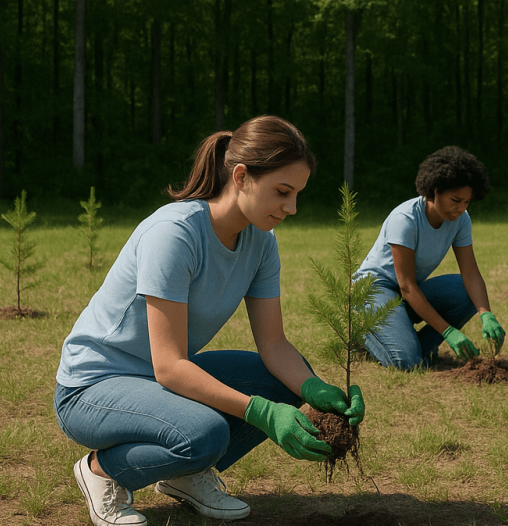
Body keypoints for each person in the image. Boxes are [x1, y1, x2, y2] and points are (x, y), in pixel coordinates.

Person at [55, 116, 364, 526]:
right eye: (283, 192)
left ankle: (184, 475)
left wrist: (314, 388)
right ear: (241, 176)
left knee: (282, 384)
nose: (292, 208)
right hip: (92, 388)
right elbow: (169, 366)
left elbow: (273, 345)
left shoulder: (261, 243)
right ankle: (102, 472)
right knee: (205, 433)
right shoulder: (175, 234)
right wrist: (262, 414)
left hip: (156, 381)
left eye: (297, 195)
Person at [360, 146, 505, 370]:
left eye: (467, 202)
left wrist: (485, 313)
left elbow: (470, 273)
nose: (460, 208)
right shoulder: (405, 219)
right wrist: (448, 331)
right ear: (434, 190)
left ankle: (406, 340)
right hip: (375, 290)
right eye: (455, 200)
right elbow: (406, 285)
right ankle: (366, 333)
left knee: (465, 291)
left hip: (406, 293)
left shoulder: (461, 220)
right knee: (406, 363)